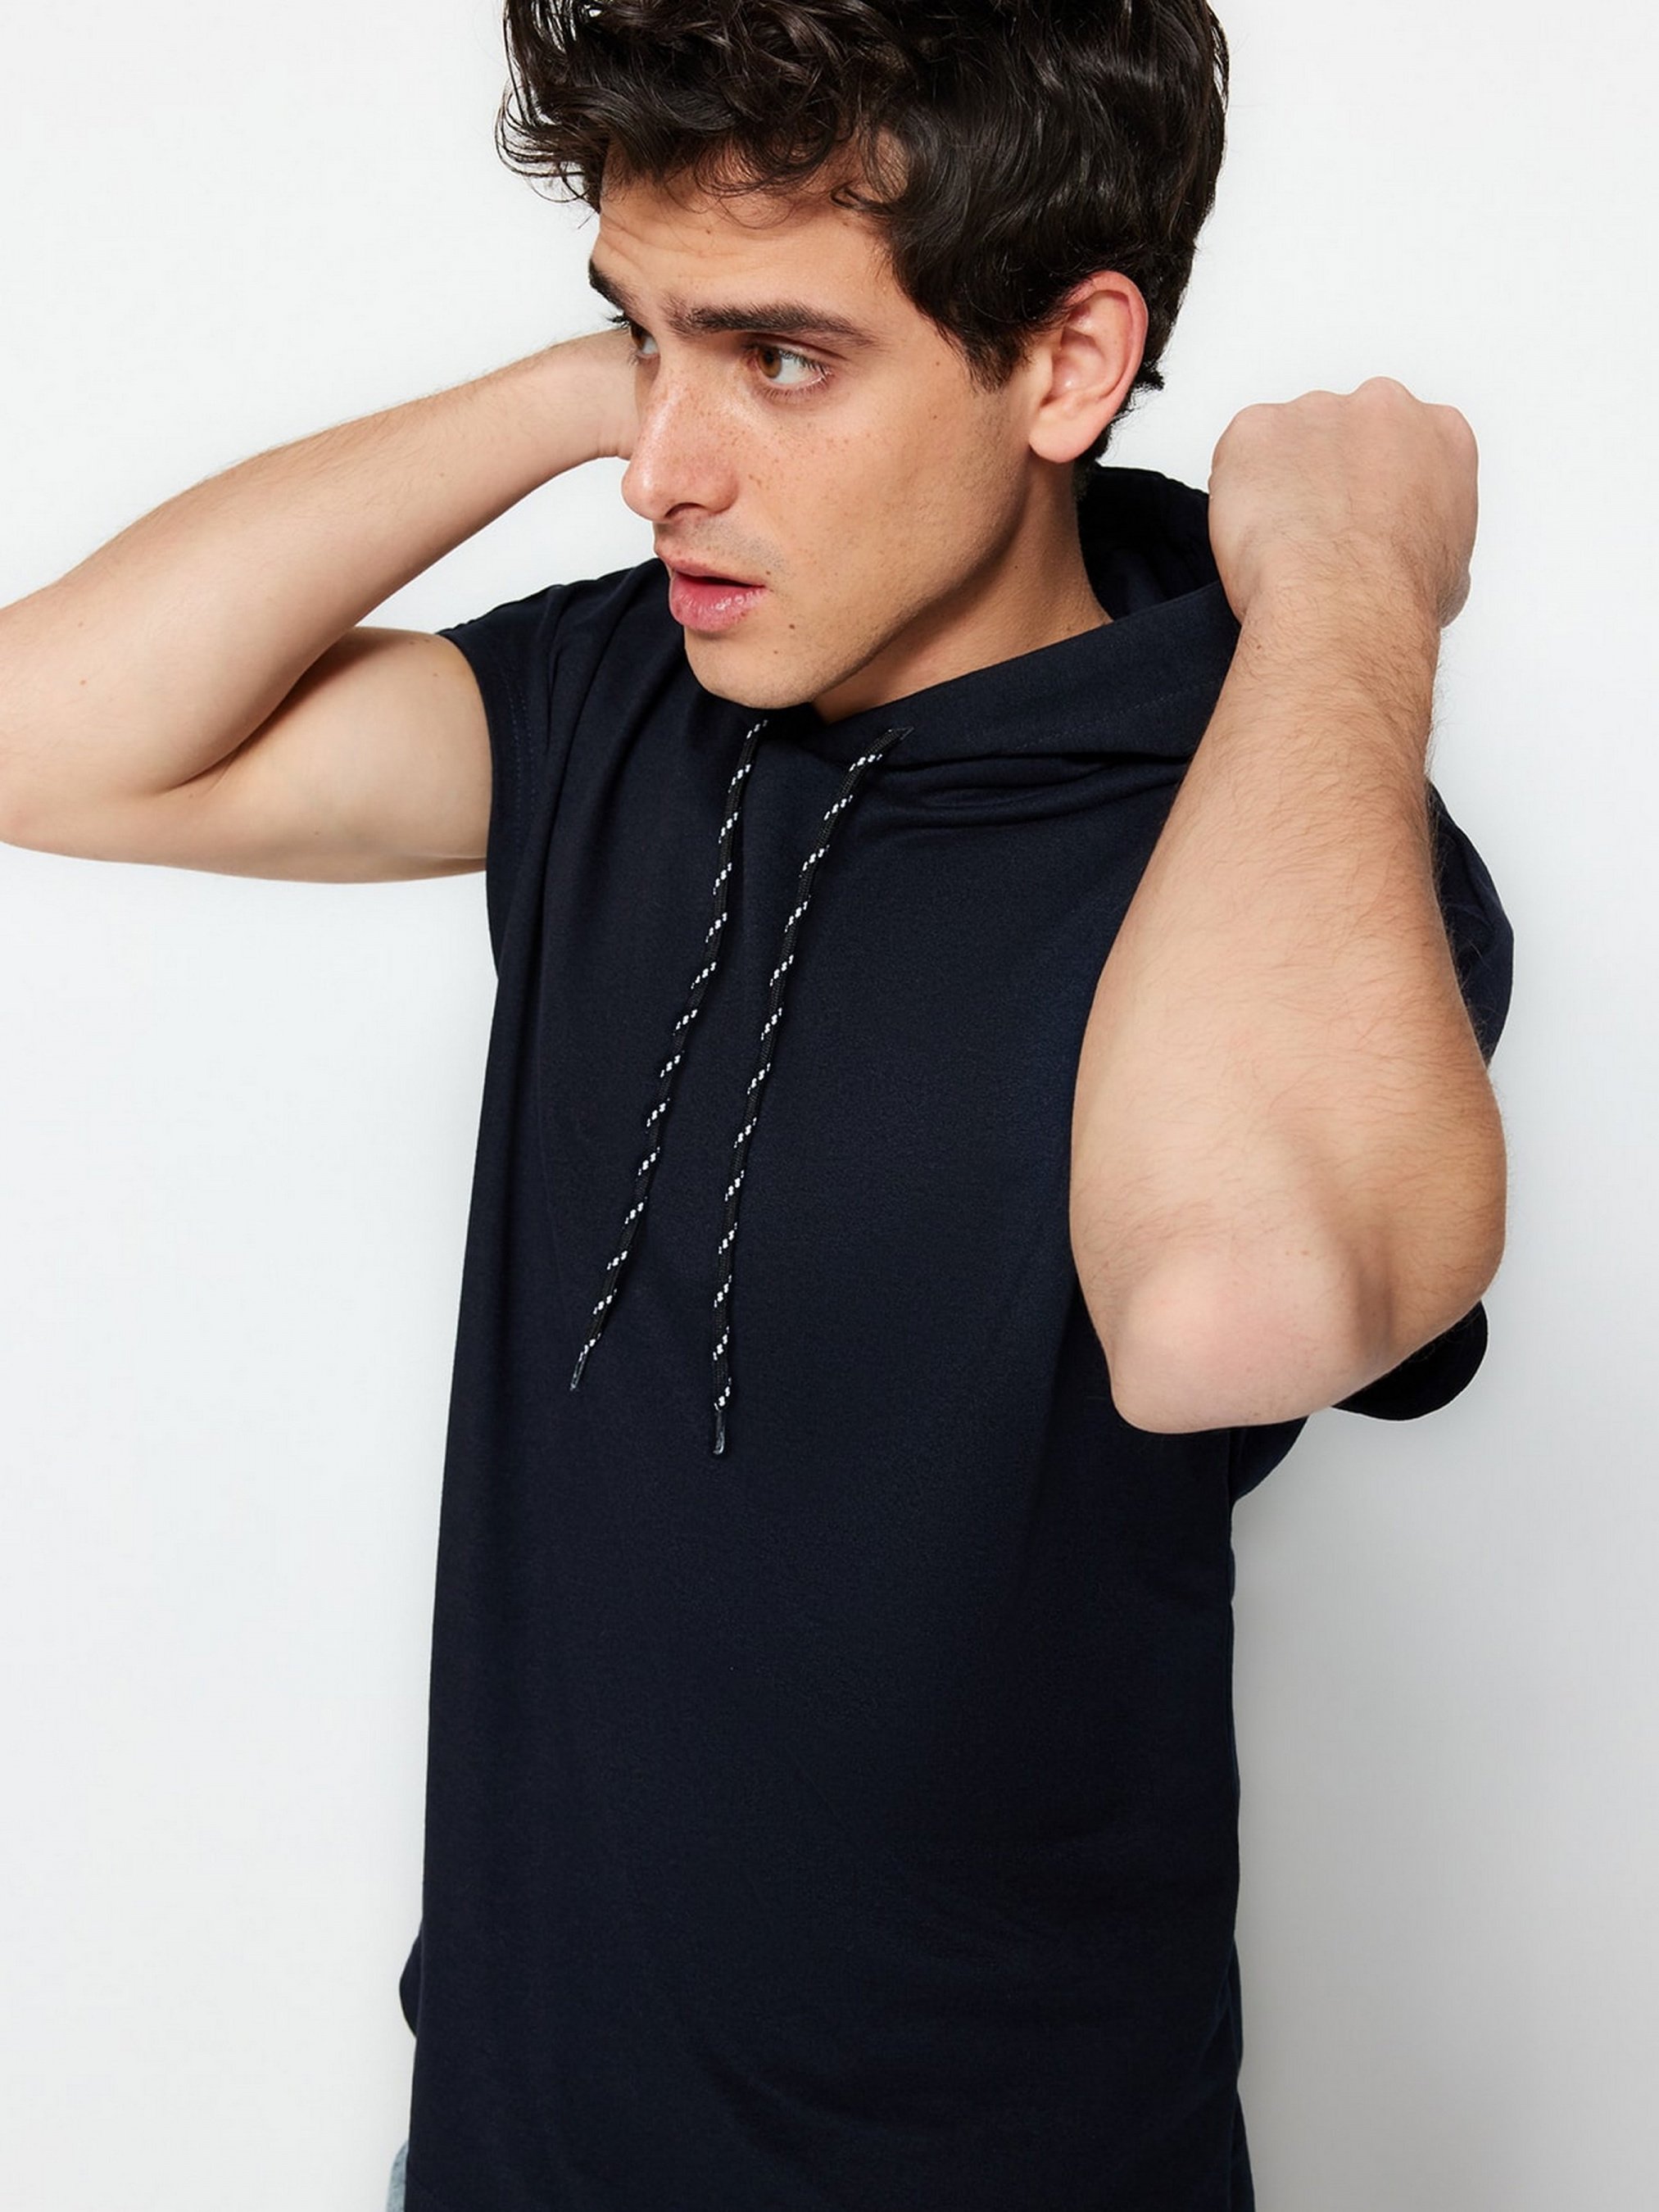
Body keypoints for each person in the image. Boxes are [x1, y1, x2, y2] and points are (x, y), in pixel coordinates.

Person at [0, 2, 1513, 2207]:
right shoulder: (625, 688)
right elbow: (47, 736)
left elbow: (1230, 1313)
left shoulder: (1300, 826)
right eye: (646, 337)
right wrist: (612, 368)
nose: (660, 475)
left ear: (1069, 363)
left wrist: (1352, 592)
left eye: (786, 357)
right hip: (512, 2153)